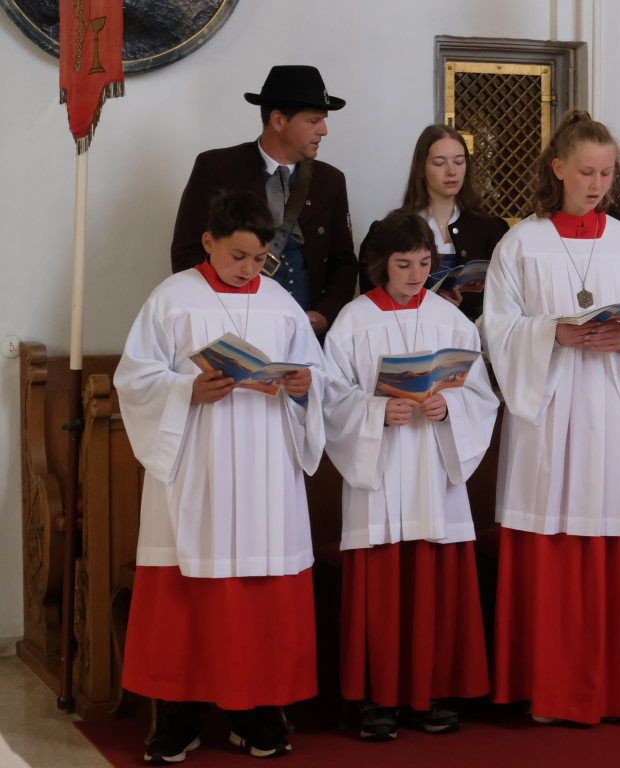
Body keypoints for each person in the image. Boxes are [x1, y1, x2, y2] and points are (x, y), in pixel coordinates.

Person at [114, 190, 326, 762]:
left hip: (266, 471)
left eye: (259, 259)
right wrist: (187, 389)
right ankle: (176, 720)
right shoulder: (172, 299)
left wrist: (305, 384)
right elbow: (134, 379)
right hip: (197, 467)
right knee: (187, 594)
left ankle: (257, 714)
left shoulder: (281, 304)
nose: (249, 269)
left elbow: (318, 374)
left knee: (262, 592)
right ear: (209, 242)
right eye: (237, 256)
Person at [483, 110, 620, 725]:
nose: (597, 185)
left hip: (610, 413)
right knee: (550, 539)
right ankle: (549, 687)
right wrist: (553, 334)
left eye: (607, 173)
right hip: (550, 411)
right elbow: (498, 330)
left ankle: (614, 689)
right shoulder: (521, 244)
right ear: (559, 168)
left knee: (612, 530)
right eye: (587, 172)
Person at [323, 211, 498, 740]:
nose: (416, 275)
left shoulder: (452, 321)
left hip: (433, 470)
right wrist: (376, 412)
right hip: (380, 475)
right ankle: (375, 700)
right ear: (381, 264)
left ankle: (432, 693)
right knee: (381, 586)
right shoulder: (353, 321)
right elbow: (331, 400)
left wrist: (450, 409)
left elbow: (481, 395)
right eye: (404, 265)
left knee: (435, 582)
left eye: (425, 264)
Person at [171, 65, 358, 335]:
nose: (324, 130)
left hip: (306, 335)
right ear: (279, 120)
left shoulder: (330, 180)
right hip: (232, 329)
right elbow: (187, 254)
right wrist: (221, 314)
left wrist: (326, 314)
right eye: (313, 121)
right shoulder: (217, 169)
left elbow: (344, 261)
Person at [358, 124, 509, 320]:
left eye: (459, 161)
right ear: (421, 168)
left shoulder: (491, 229)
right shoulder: (390, 232)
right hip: (408, 333)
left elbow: (505, 302)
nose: (451, 171)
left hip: (473, 334)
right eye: (439, 163)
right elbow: (371, 304)